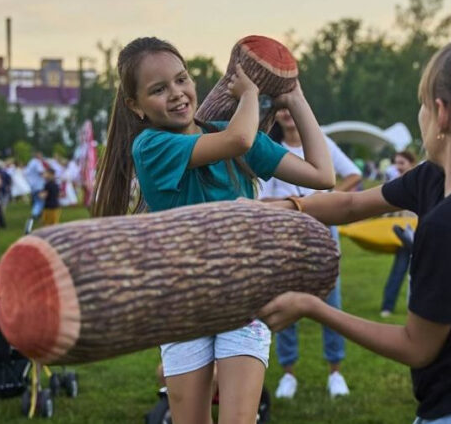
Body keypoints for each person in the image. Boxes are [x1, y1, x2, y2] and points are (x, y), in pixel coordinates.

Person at [258, 36, 451, 423]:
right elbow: (352, 204)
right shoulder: (436, 180)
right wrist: (283, 207)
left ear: (441, 114)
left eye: (422, 103)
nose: (420, 113)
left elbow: (415, 346)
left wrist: (312, 307)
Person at [92, 37, 334, 424]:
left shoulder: (231, 131)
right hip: (182, 305)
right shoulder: (151, 146)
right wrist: (251, 95)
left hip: (245, 294)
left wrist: (296, 100)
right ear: (135, 106)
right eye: (158, 89)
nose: (176, 94)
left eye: (181, 79)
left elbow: (323, 175)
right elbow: (237, 139)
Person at [260, 108, 361, 399]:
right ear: (274, 113)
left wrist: (324, 201)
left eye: (290, 106)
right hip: (287, 232)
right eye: (280, 108)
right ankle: (288, 373)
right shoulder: (272, 148)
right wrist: (298, 203)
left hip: (323, 229)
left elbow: (353, 174)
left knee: (332, 299)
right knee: (284, 299)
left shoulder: (320, 142)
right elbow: (262, 195)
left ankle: (335, 371)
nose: (286, 113)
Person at [380, 150, 418, 318]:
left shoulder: (420, 181)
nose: (398, 166)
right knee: (399, 271)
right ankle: (388, 306)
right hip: (402, 234)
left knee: (415, 273)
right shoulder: (394, 183)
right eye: (396, 163)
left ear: (411, 163)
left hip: (418, 233)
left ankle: (415, 309)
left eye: (402, 162)